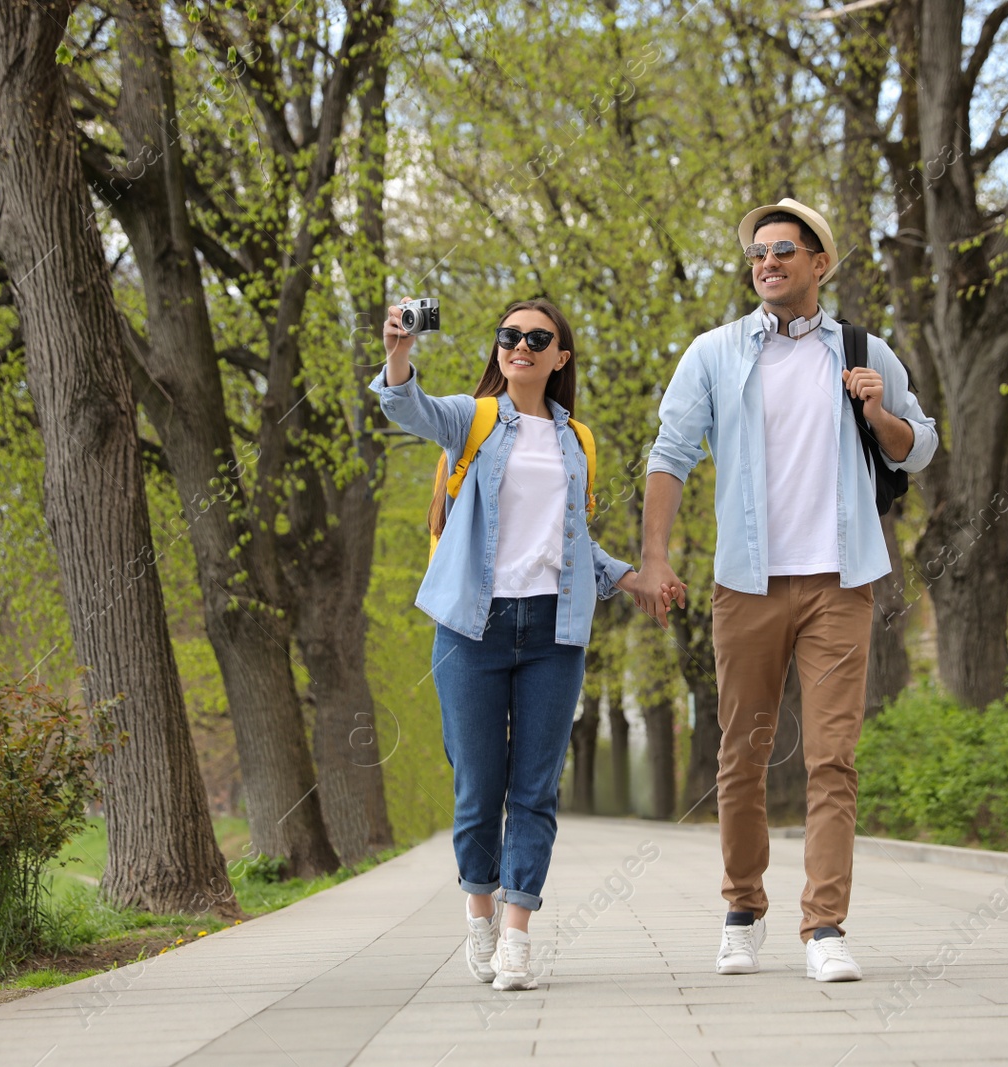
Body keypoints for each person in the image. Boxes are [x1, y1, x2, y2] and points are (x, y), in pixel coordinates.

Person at [628, 198, 937, 983]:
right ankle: (742, 909)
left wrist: (877, 409)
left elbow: (918, 448)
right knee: (743, 754)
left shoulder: (868, 351)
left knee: (833, 758)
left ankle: (825, 925)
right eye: (758, 253)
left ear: (819, 264)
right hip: (747, 584)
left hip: (842, 582)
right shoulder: (715, 353)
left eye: (784, 251)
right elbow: (669, 454)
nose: (768, 262)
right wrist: (655, 557)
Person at [371, 296, 637, 992]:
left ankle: (517, 934)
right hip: (472, 630)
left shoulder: (578, 440)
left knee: (535, 789)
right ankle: (479, 906)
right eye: (509, 334)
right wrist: (400, 352)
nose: (520, 344)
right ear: (499, 348)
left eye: (537, 337)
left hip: (554, 631)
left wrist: (629, 577)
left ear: (560, 356)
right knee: (477, 785)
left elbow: (572, 539)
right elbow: (407, 407)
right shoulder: (473, 418)